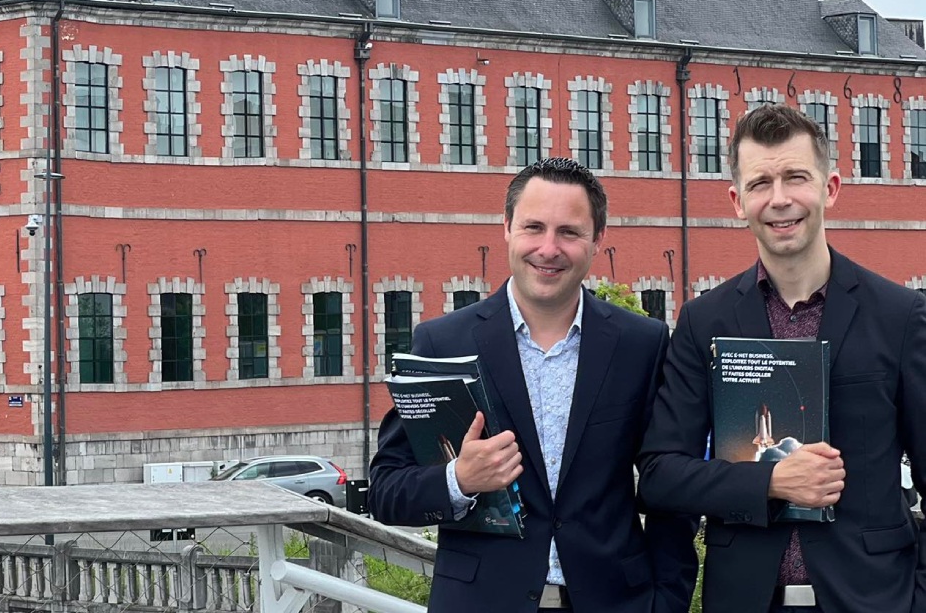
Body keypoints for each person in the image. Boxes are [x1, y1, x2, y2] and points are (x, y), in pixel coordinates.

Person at [369, 157, 698, 613]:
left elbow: (670, 487)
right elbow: (386, 489)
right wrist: (458, 480)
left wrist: (668, 602)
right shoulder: (441, 342)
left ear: (598, 240)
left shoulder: (642, 344)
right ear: (506, 227)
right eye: (533, 227)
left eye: (569, 232)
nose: (549, 248)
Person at [637, 103, 926, 613]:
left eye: (796, 177)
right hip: (747, 599)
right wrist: (768, 479)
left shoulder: (900, 316)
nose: (780, 199)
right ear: (736, 200)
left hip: (875, 598)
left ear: (830, 187)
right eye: (760, 183)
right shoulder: (705, 322)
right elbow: (661, 475)